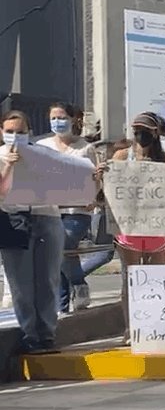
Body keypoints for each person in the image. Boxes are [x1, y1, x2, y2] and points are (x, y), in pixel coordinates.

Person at [0, 111, 67, 353]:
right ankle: (29, 334)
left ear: (29, 132)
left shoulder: (43, 154)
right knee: (21, 283)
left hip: (47, 217)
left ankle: (47, 334)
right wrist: (8, 166)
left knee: (48, 278)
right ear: (1, 132)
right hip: (13, 219)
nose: (15, 136)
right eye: (9, 132)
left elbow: (65, 182)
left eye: (20, 131)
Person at [107, 112, 165, 345]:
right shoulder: (122, 156)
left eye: (144, 130)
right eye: (136, 130)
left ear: (155, 133)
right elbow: (108, 185)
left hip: (156, 228)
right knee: (131, 279)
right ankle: (130, 328)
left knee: (155, 279)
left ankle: (154, 323)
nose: (139, 134)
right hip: (129, 228)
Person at [37, 102, 96, 313]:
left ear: (73, 119)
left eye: (62, 117)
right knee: (58, 254)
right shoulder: (42, 146)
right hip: (49, 210)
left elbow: (96, 177)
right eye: (53, 118)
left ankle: (79, 284)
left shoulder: (85, 148)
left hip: (77, 211)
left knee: (62, 246)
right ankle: (62, 307)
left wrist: (93, 195)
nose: (57, 122)